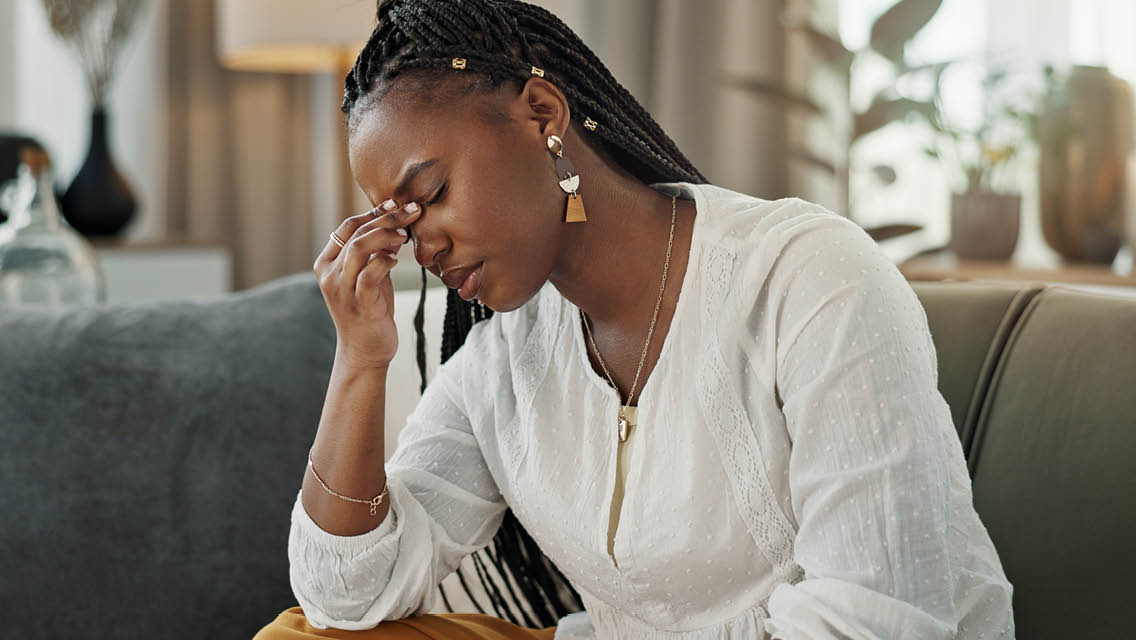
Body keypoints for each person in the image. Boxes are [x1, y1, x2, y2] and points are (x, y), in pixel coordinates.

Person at [254, 0, 1015, 638]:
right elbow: (344, 594)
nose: (425, 247)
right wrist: (359, 361)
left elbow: (873, 621)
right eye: (403, 222)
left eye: (433, 194)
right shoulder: (505, 362)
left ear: (542, 114)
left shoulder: (809, 279)